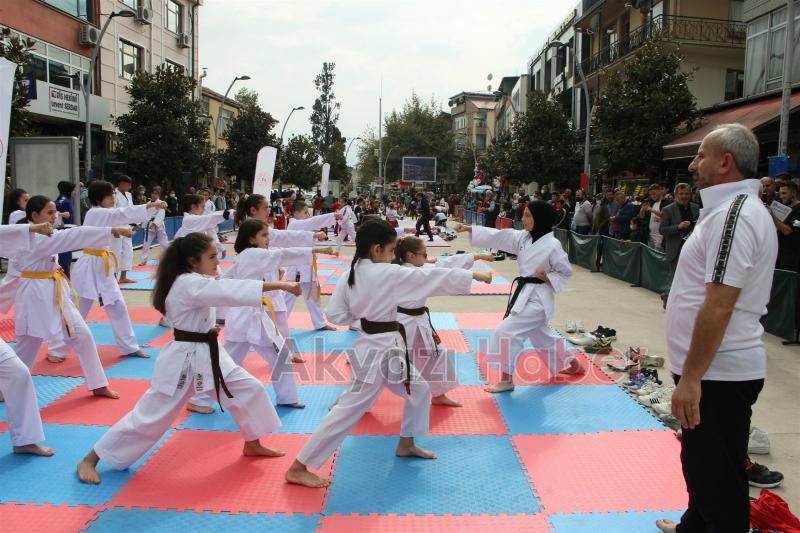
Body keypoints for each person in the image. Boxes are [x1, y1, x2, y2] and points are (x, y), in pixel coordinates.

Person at [76, 232, 299, 485]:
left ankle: (252, 442)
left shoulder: (195, 279)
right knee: (152, 415)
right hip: (183, 358)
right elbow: (227, 290)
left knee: (250, 389)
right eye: (212, 257)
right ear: (193, 261)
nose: (218, 260)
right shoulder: (187, 283)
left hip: (208, 352)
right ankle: (91, 458)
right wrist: (281, 285)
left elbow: (222, 291)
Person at [284, 220, 491, 488]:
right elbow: (427, 277)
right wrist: (472, 275)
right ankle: (299, 466)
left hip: (379, 345)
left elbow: (335, 314)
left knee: (418, 388)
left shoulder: (353, 272)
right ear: (377, 249)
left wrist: (363, 317)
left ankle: (407, 443)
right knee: (347, 411)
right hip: (378, 351)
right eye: (393, 250)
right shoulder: (384, 273)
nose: (395, 257)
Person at [656, 124, 777, 533]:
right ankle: (694, 524)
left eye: (701, 155)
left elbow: (720, 302)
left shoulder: (736, 214)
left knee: (718, 480)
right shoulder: (724, 211)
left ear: (725, 162)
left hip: (717, 372)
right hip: (710, 369)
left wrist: (691, 379)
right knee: (701, 464)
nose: (693, 164)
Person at [454, 201, 584, 394]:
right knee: (543, 338)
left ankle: (506, 380)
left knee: (506, 332)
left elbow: (565, 272)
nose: (523, 219)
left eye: (528, 216)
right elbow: (498, 236)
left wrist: (547, 276)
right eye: (523, 214)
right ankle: (574, 365)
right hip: (525, 294)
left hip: (539, 299)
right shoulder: (523, 238)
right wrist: (470, 228)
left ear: (540, 219)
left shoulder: (553, 245)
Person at [11, 195, 129, 400]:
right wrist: (111, 230)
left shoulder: (46, 234)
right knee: (27, 344)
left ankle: (98, 383)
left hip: (54, 290)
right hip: (34, 294)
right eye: (49, 212)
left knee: (82, 335)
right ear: (34, 215)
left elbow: (72, 233)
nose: (54, 215)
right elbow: (75, 236)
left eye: (54, 211)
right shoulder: (32, 238)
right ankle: (6, 386)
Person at [218, 219, 329, 409]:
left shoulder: (244, 255)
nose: (268, 239)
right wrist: (313, 250)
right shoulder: (254, 254)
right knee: (279, 356)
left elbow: (227, 281)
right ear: (252, 238)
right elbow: (282, 255)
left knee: (226, 362)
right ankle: (287, 398)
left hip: (244, 317)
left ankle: (199, 398)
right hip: (251, 317)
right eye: (264, 235)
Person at [394, 236, 494, 406]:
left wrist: (476, 256)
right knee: (385, 364)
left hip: (418, 322)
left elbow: (442, 266)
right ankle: (353, 401)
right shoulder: (411, 273)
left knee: (436, 355)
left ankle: (439, 394)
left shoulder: (414, 268)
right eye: (424, 254)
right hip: (401, 326)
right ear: (411, 256)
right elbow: (442, 274)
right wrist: (476, 275)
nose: (427, 257)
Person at [72, 181, 165, 358]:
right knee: (80, 310)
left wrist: (118, 231)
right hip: (91, 265)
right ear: (100, 198)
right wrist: (151, 205)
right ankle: (58, 348)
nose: (113, 198)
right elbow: (122, 214)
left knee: (117, 305)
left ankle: (129, 346)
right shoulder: (97, 212)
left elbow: (115, 220)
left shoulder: (102, 214)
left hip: (102, 266)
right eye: (110, 195)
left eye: (114, 194)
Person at [284, 201, 339, 331]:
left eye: (308, 212)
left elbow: (307, 232)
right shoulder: (294, 224)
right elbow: (312, 222)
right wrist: (332, 216)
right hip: (297, 269)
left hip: (306, 268)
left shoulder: (300, 226)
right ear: (296, 213)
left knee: (313, 296)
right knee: (288, 299)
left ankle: (320, 323)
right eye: (305, 212)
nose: (307, 215)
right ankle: (277, 324)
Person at [659, 183, 699, 306]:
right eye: (681, 194)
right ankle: (669, 297)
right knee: (676, 276)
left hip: (693, 249)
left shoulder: (696, 208)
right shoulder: (668, 209)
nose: (684, 196)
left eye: (687, 194)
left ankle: (677, 298)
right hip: (676, 248)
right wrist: (678, 227)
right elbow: (662, 229)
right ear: (675, 195)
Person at [112, 176, 136, 284]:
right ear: (121, 184)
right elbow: (111, 212)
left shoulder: (129, 195)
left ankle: (123, 276)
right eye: (128, 184)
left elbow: (131, 210)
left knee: (128, 251)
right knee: (116, 251)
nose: (129, 187)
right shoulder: (114, 195)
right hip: (117, 226)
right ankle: (113, 276)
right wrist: (114, 229)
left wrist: (135, 222)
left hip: (127, 226)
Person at [773, 180, 800, 272]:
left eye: (784, 193)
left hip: (792, 259)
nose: (781, 196)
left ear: (794, 193)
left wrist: (773, 217)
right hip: (779, 255)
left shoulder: (798, 209)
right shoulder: (783, 208)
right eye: (780, 193)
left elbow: (787, 231)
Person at [139, 186, 170, 265]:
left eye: (156, 194)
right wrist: (143, 224)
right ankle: (143, 261)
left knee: (164, 243)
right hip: (149, 226)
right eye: (153, 193)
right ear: (151, 194)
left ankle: (172, 258)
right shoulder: (148, 204)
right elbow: (145, 215)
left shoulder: (161, 203)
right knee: (146, 244)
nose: (154, 195)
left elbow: (162, 213)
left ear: (158, 195)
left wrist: (155, 223)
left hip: (159, 226)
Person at [55, 181, 77, 276]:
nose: (75, 192)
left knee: (65, 254)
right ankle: (65, 275)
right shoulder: (65, 201)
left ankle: (66, 275)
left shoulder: (60, 199)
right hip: (65, 229)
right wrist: (60, 217)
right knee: (65, 255)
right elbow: (57, 212)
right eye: (73, 190)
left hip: (65, 229)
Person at [640, 183, 669, 250]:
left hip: (660, 237)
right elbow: (642, 217)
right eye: (650, 194)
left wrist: (652, 210)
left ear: (660, 191)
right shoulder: (652, 203)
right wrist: (642, 209)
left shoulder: (666, 202)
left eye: (654, 194)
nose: (652, 196)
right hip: (650, 235)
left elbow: (666, 216)